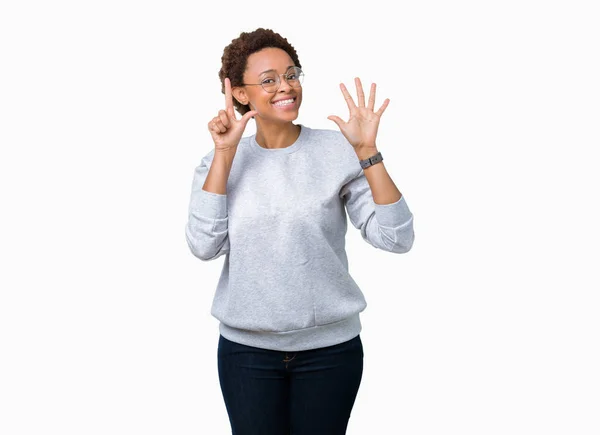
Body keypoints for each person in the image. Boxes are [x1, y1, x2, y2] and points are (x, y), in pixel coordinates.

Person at [185, 27, 415, 435]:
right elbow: (204, 246)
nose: (285, 87)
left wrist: (367, 154)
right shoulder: (220, 160)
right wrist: (225, 154)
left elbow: (396, 238)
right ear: (240, 93)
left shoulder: (337, 150)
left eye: (291, 74)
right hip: (247, 353)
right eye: (268, 80)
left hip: (330, 351)